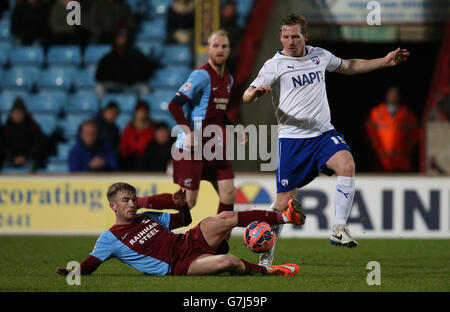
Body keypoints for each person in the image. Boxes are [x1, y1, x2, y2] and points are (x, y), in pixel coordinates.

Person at [242, 14, 409, 264]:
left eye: (295, 36)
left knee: (347, 164)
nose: (290, 41)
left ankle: (339, 228)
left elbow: (350, 66)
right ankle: (266, 252)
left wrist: (384, 62)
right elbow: (246, 95)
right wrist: (254, 94)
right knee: (283, 201)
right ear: (280, 37)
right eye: (285, 36)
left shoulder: (319, 55)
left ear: (305, 36)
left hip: (323, 134)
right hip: (293, 141)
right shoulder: (274, 65)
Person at [56, 182, 305, 277]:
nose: (132, 204)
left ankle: (284, 216)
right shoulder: (110, 238)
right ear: (113, 206)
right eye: (125, 201)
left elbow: (182, 221)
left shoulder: (147, 217)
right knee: (227, 262)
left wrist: (182, 206)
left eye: (133, 199)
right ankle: (269, 271)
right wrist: (73, 271)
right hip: (179, 265)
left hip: (187, 240)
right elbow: (89, 265)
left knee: (225, 216)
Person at [168, 29, 239, 216]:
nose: (220, 50)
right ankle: (150, 220)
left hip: (213, 145)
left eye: (224, 46)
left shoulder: (228, 80)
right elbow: (174, 105)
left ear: (229, 50)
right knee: (188, 203)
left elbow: (219, 115)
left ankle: (220, 244)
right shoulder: (201, 76)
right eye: (215, 46)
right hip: (193, 145)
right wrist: (188, 132)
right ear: (208, 49)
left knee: (229, 193)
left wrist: (235, 130)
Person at [365, 86, 419, 172]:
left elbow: (416, 134)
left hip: (402, 163)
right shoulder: (376, 113)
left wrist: (407, 148)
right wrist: (377, 148)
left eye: (395, 95)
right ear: (386, 96)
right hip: (382, 162)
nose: (393, 97)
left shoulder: (407, 114)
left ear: (399, 96)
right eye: (391, 94)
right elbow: (369, 133)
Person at [95, 27, 159, 98]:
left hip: (132, 86)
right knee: (99, 87)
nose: (121, 39)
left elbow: (146, 74)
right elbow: (98, 76)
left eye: (123, 37)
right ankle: (102, 108)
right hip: (114, 86)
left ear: (128, 39)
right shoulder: (108, 57)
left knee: (144, 88)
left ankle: (140, 108)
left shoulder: (137, 55)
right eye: (119, 37)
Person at [1, 98, 46, 171]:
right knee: (4, 165)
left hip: (29, 158)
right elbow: (3, 146)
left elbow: (38, 144)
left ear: (24, 113)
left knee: (32, 165)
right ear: (11, 114)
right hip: (10, 159)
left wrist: (25, 157)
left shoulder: (33, 126)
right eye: (15, 113)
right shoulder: (6, 127)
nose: (18, 115)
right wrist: (13, 157)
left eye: (20, 112)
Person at [119, 100, 154, 171]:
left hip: (147, 162)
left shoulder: (153, 128)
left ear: (147, 113)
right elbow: (123, 148)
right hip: (130, 161)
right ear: (135, 112)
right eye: (139, 111)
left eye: (144, 111)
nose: (141, 114)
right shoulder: (128, 129)